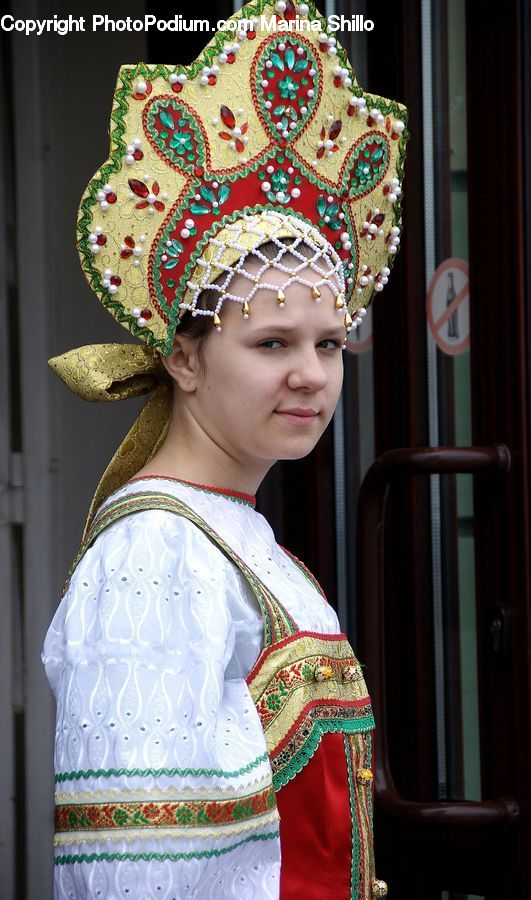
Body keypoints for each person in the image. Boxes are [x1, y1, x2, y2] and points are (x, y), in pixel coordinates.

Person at [42, 2, 408, 897]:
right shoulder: (154, 558)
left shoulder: (235, 540)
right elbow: (143, 873)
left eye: (327, 343)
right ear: (182, 355)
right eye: (271, 342)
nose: (312, 376)